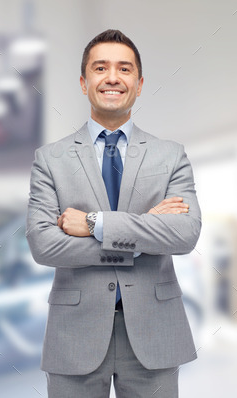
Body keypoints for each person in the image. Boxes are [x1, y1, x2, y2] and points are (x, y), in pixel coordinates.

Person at [26, 29, 201, 397]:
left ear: (138, 84)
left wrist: (95, 224)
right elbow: (44, 246)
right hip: (73, 335)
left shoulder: (170, 155)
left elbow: (184, 234)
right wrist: (143, 236)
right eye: (100, 67)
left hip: (155, 334)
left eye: (124, 69)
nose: (112, 78)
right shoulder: (50, 159)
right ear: (83, 81)